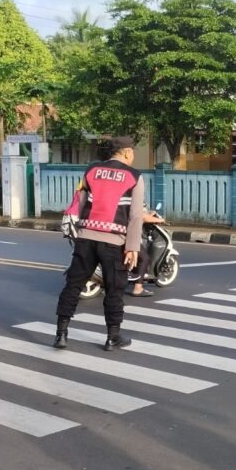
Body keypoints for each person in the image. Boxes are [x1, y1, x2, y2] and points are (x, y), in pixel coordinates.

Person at [53, 137, 144, 351]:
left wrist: (77, 232)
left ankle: (61, 334)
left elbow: (79, 202)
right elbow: (136, 216)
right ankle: (113, 337)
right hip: (114, 241)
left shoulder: (91, 171)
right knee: (114, 289)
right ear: (127, 152)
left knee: (73, 285)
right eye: (132, 152)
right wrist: (132, 248)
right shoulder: (134, 177)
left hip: (86, 238)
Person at [127, 207, 166, 297]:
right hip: (129, 237)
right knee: (145, 259)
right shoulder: (133, 199)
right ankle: (138, 288)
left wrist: (150, 215)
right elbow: (142, 217)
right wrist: (160, 220)